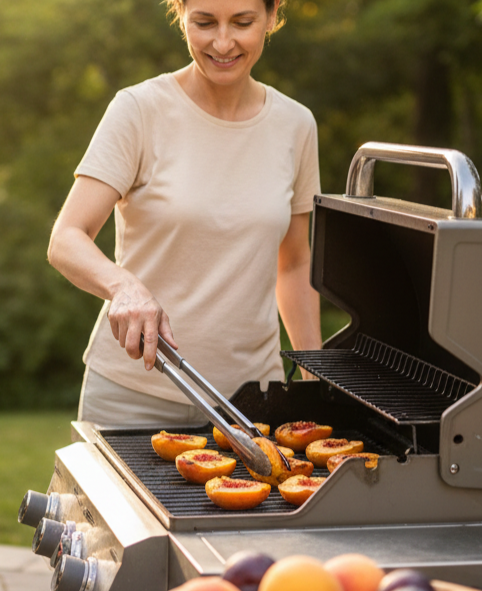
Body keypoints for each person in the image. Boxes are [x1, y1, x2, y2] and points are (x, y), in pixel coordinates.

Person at [48, 0, 321, 426]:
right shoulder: (138, 109)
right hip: (133, 395)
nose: (223, 42)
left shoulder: (296, 125)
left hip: (251, 402)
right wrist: (124, 286)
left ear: (271, 16)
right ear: (181, 15)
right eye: (205, 22)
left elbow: (295, 263)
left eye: (243, 22)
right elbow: (66, 237)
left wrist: (312, 382)